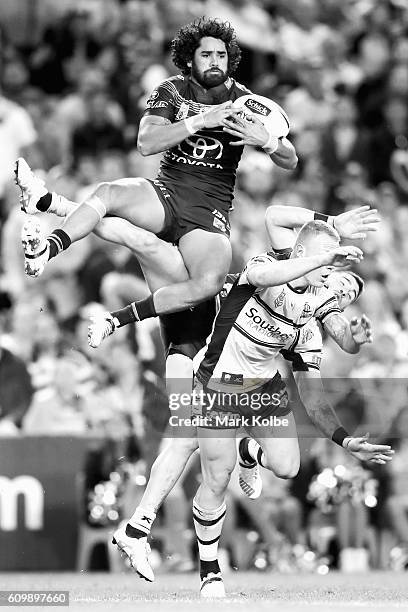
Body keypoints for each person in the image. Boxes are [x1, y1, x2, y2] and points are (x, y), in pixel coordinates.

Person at [15, 17, 297, 323]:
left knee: (209, 282)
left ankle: (49, 204)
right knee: (107, 194)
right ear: (190, 59)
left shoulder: (244, 101)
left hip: (209, 210)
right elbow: (146, 143)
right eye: (207, 55)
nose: (215, 62)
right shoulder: (172, 90)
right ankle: (46, 250)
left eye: (221, 55)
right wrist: (200, 121)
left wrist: (268, 141)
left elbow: (291, 159)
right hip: (165, 194)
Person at [191, 220, 393, 597]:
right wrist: (330, 239)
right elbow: (271, 242)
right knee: (217, 479)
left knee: (287, 468)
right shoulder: (267, 268)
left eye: (337, 270)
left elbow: (313, 396)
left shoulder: (310, 322)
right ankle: (210, 570)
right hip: (218, 380)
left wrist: (345, 441)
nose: (332, 274)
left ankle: (248, 449)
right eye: (327, 265)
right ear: (301, 254)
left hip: (264, 389)